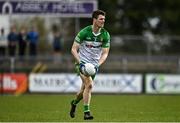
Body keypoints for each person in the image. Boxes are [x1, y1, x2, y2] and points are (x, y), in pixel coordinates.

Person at [70, 10, 110, 120]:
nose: (103, 21)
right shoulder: (84, 32)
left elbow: (105, 53)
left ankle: (74, 103)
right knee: (90, 85)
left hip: (94, 66)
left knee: (83, 90)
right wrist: (80, 63)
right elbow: (73, 49)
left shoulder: (105, 34)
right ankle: (86, 112)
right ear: (94, 20)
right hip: (81, 63)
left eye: (104, 19)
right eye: (101, 19)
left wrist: (98, 64)